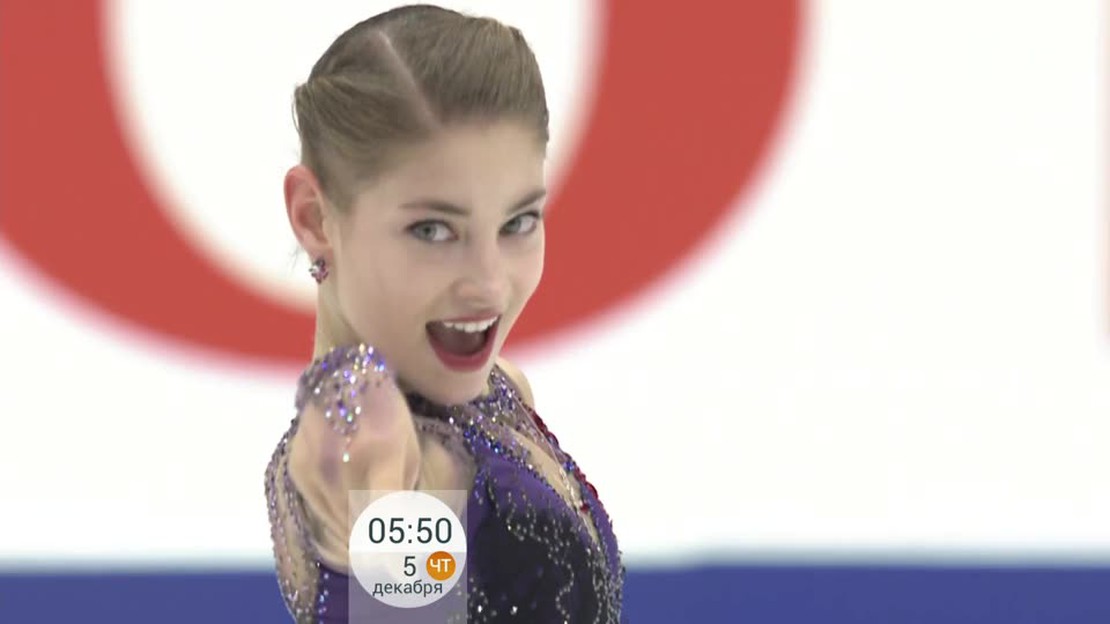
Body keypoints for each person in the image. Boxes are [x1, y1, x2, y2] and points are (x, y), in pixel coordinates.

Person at [263, 5, 625, 622]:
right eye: (433, 230)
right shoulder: (364, 437)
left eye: (518, 222)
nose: (489, 284)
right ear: (315, 218)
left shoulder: (500, 389)